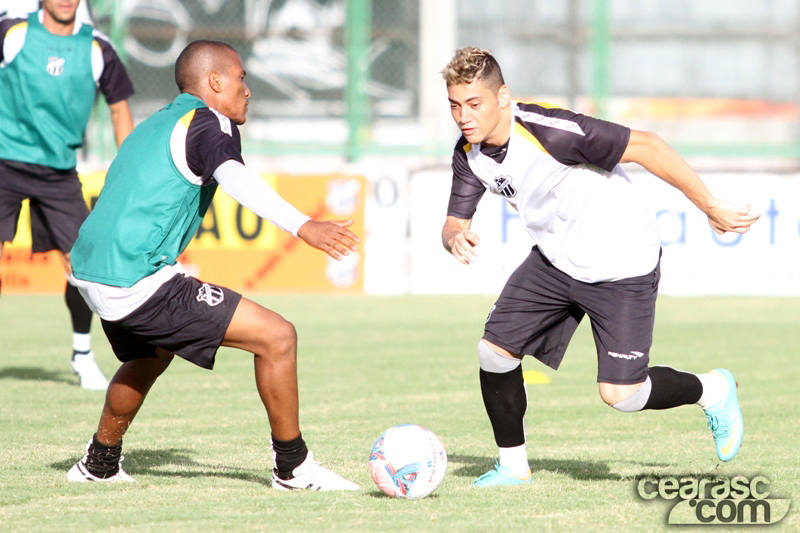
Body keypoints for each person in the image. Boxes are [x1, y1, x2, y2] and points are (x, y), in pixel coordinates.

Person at [440, 47, 760, 487]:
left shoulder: (551, 131)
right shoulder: (469, 153)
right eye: (455, 105)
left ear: (504, 97)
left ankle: (713, 390)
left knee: (623, 396)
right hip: (554, 263)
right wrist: (454, 235)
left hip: (622, 262)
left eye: (474, 103)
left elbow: (647, 145)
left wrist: (709, 205)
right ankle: (513, 467)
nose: (463, 115)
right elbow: (453, 221)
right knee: (493, 354)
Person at [65, 40, 361, 490]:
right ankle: (294, 469)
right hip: (134, 278)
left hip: (91, 270)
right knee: (278, 337)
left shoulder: (156, 123)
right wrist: (304, 226)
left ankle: (99, 463)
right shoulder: (209, 121)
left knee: (151, 355)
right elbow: (235, 177)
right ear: (215, 82)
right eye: (241, 78)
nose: (247, 90)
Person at [0, 0, 134, 390]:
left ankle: (82, 355)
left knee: (84, 267)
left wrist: (127, 174)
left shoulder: (99, 49)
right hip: (3, 162)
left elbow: (119, 111)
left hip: (58, 173)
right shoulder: (12, 31)